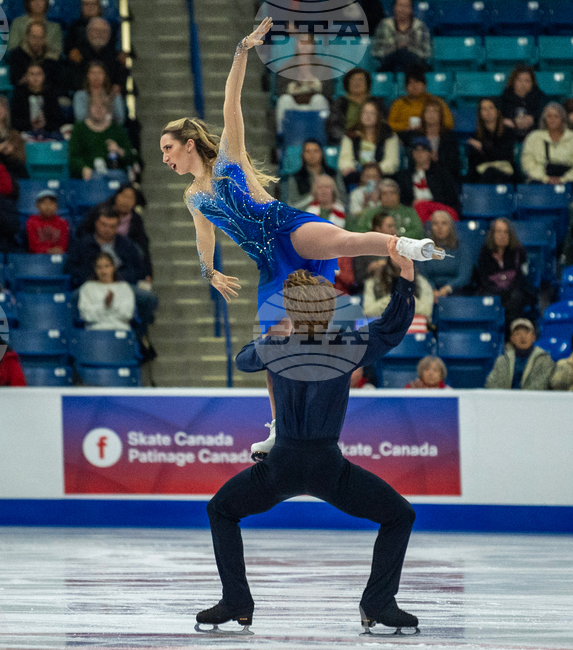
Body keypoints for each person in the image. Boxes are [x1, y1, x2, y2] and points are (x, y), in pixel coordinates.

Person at [160, 19, 438, 460]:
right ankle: (278, 429)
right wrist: (207, 270)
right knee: (274, 348)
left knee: (342, 241)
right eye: (161, 152)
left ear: (190, 142)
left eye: (168, 148)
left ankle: (399, 245)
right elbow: (204, 236)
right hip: (270, 265)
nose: (165, 157)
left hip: (285, 226)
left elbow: (231, 98)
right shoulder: (193, 198)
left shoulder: (231, 157)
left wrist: (241, 51)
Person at [199, 241, 420, 635]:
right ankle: (378, 603)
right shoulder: (346, 345)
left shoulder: (275, 346)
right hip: (327, 467)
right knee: (399, 516)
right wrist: (405, 276)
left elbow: (243, 360)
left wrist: (274, 335)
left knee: (221, 510)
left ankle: (237, 600)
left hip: (281, 465)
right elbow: (392, 327)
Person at [66, 206, 157, 337]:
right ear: (96, 223)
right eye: (104, 225)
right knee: (71, 299)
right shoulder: (83, 244)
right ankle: (76, 338)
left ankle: (139, 337)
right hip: (91, 283)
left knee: (148, 299)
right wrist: (91, 277)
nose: (107, 229)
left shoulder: (127, 245)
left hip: (121, 284)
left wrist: (120, 278)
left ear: (117, 226)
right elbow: (70, 268)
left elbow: (138, 269)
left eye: (112, 226)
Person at [470, 217, 536, 325]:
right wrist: (498, 292)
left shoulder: (518, 251)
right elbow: (483, 278)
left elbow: (520, 276)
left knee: (516, 299)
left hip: (513, 289)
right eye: (499, 232)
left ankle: (509, 334)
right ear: (492, 234)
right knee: (489, 300)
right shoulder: (484, 253)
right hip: (492, 290)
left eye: (506, 232)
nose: (502, 235)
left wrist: (508, 290)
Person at [77, 184, 152, 273]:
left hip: (123, 259)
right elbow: (82, 233)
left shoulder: (136, 220)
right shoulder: (100, 211)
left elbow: (143, 245)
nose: (126, 201)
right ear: (116, 196)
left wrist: (148, 273)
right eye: (124, 196)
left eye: (130, 198)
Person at [521, 102, 573, 184]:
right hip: (540, 182)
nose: (552, 119)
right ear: (544, 119)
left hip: (569, 182)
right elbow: (528, 163)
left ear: (563, 118)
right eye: (549, 116)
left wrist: (563, 179)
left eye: (556, 116)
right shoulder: (533, 137)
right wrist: (546, 178)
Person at [70, 96, 137, 180]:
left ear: (108, 109)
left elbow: (131, 157)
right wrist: (82, 168)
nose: (98, 109)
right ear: (89, 108)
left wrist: (118, 150)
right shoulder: (79, 129)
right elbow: (73, 157)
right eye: (95, 106)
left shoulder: (117, 130)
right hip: (89, 175)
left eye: (102, 106)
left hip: (114, 174)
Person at [484, 318, 554, 390]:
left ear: (533, 337)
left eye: (526, 332)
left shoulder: (544, 359)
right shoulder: (503, 360)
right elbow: (491, 384)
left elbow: (542, 386)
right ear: (512, 339)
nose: (522, 337)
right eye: (517, 333)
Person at [339, 98, 400, 182]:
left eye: (372, 113)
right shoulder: (350, 135)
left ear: (378, 115)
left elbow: (392, 162)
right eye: (365, 112)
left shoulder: (389, 136)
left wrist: (372, 172)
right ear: (360, 114)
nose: (368, 116)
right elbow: (344, 160)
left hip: (382, 177)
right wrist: (357, 171)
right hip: (357, 176)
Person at [395, 137, 459, 213]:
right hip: (414, 212)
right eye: (416, 150)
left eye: (423, 150)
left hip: (437, 212)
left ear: (430, 153)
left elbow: (450, 199)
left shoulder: (441, 174)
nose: (419, 153)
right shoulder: (405, 176)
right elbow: (402, 200)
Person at [401, 97, 460, 180]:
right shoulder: (416, 135)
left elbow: (453, 164)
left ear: (441, 115)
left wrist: (435, 159)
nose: (431, 114)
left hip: (442, 177)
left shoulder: (448, 137)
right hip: (418, 175)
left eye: (435, 111)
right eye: (428, 111)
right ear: (423, 115)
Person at [418, 210, 469, 301]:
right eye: (435, 224)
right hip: (428, 291)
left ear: (451, 227)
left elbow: (464, 276)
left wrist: (447, 288)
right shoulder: (424, 248)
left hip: (455, 292)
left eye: (444, 223)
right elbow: (422, 274)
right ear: (430, 227)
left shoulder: (461, 248)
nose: (439, 227)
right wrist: (432, 290)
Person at [364, 255, 434, 321]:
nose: (400, 257)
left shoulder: (421, 282)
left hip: (412, 326)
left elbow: (427, 311)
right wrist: (389, 301)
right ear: (389, 256)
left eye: (404, 254)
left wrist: (408, 301)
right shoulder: (372, 283)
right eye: (397, 253)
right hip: (384, 326)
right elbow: (367, 311)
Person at [78, 251, 135, 331]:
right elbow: (86, 315)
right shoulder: (87, 288)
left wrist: (110, 305)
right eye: (99, 267)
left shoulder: (124, 287)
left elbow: (127, 314)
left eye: (106, 266)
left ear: (113, 268)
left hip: (120, 329)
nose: (103, 271)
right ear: (95, 269)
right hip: (95, 331)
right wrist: (105, 305)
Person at [466, 98, 517, 184]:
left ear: (497, 111)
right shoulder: (476, 136)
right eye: (484, 109)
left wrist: (482, 147)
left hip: (505, 174)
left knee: (492, 172)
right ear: (480, 114)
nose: (488, 112)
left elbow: (505, 155)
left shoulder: (508, 132)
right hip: (483, 175)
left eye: (491, 108)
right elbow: (475, 162)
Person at [387, 68, 452, 136]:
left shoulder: (436, 102)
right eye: (410, 83)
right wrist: (407, 126)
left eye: (417, 82)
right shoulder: (398, 104)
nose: (414, 86)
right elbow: (390, 125)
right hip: (404, 139)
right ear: (405, 87)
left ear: (425, 85)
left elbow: (449, 123)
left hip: (431, 136)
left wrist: (425, 126)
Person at [371, 0, 430, 74]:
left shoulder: (421, 27)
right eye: (400, 6)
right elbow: (376, 52)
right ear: (394, 7)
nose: (403, 9)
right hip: (389, 64)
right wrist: (395, 49)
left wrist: (408, 49)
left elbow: (426, 53)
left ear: (412, 9)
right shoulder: (384, 25)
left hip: (415, 66)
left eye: (406, 6)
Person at [349, 179, 424, 237]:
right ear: (380, 196)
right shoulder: (369, 213)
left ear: (398, 194)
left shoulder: (410, 212)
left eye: (392, 193)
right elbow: (360, 232)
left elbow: (418, 232)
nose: (389, 197)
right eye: (385, 193)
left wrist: (397, 239)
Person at [67, 17, 126, 89]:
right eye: (95, 30)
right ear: (88, 33)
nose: (99, 34)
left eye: (104, 31)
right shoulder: (77, 54)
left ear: (109, 35)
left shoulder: (116, 57)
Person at [326, 67, 381, 144]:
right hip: (346, 141)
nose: (357, 83)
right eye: (353, 80)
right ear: (347, 83)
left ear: (367, 83)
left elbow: (382, 124)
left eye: (360, 80)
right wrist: (348, 138)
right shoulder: (340, 103)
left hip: (372, 141)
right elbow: (334, 126)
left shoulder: (375, 102)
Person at [284, 138, 342, 209]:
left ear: (322, 153)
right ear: (303, 154)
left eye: (316, 151)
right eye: (308, 151)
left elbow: (343, 199)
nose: (312, 155)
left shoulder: (333, 174)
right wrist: (311, 197)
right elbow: (292, 204)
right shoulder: (295, 177)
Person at [9, 63, 64, 137]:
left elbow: (57, 120)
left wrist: (45, 124)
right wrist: (30, 124)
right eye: (32, 74)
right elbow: (15, 120)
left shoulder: (50, 95)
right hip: (25, 132)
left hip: (48, 132)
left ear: (44, 76)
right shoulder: (19, 95)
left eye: (39, 74)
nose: (36, 77)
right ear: (26, 76)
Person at [8, 20, 62, 87]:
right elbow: (14, 81)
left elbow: (56, 83)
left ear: (45, 38)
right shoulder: (17, 55)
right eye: (34, 37)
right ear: (27, 37)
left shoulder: (52, 58)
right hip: (23, 94)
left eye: (40, 38)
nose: (37, 41)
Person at [73, 60, 126, 126]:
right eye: (93, 73)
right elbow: (80, 117)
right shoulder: (80, 95)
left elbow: (121, 118)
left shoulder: (113, 95)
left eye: (99, 73)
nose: (96, 76)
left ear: (105, 75)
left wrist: (108, 105)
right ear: (88, 75)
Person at [500, 65, 543, 141]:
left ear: (532, 83)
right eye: (519, 80)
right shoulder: (504, 98)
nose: (523, 84)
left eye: (527, 81)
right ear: (513, 82)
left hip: (536, 139)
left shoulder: (540, 97)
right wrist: (512, 121)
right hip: (508, 140)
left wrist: (533, 119)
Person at [26, 189, 69, 254]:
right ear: (37, 206)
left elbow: (63, 245)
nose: (48, 206)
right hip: (37, 258)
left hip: (58, 256)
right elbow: (33, 246)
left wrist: (58, 250)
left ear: (56, 206)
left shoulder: (63, 223)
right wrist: (48, 250)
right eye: (44, 203)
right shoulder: (31, 222)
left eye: (51, 203)